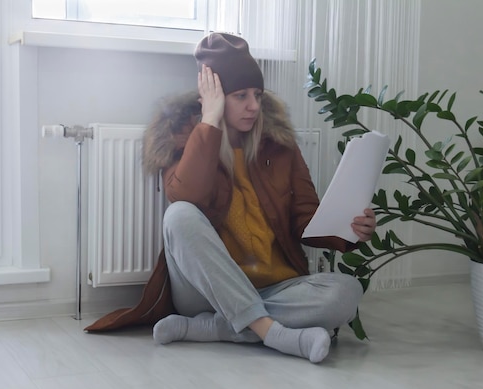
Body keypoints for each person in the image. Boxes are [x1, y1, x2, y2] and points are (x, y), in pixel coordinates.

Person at [85, 32, 376, 364]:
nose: (254, 106)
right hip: (205, 292)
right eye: (240, 96)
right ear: (215, 96)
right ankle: (274, 333)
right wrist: (209, 122)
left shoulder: (279, 145)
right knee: (179, 215)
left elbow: (305, 219)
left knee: (347, 292)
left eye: (257, 94)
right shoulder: (182, 137)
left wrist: (350, 228)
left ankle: (215, 328)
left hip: (274, 287)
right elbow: (185, 197)